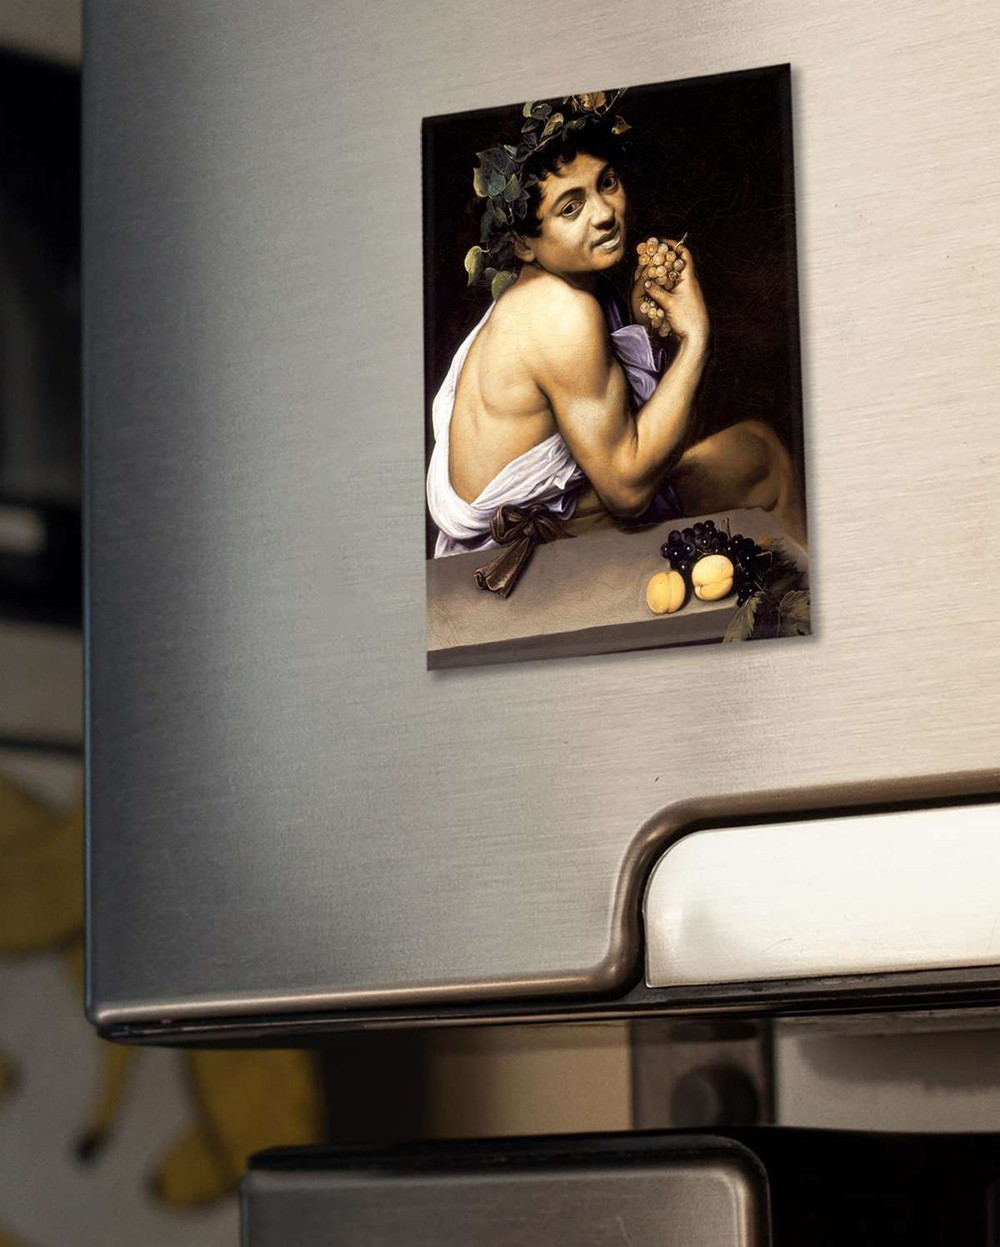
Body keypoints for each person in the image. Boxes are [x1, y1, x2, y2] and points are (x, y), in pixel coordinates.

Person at [426, 96, 805, 568]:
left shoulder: (552, 292)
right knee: (763, 461)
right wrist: (696, 341)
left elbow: (603, 427)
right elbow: (627, 491)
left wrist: (642, 326)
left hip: (553, 527)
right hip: (516, 567)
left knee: (755, 449)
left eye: (606, 183)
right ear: (522, 242)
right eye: (571, 208)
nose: (604, 213)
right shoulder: (559, 312)